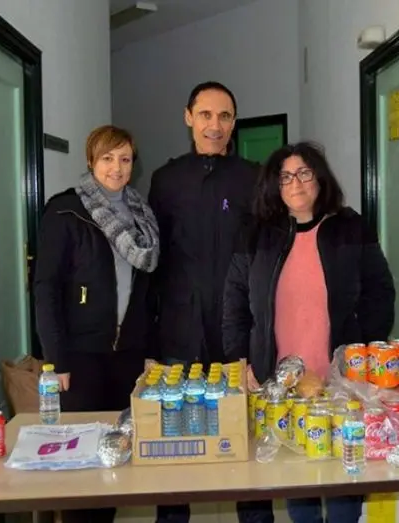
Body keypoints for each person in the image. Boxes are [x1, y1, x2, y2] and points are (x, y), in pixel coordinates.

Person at [222, 141, 395, 523]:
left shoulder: (350, 227)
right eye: (285, 177)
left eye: (303, 173)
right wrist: (241, 359)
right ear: (274, 185)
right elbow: (234, 302)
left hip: (340, 381)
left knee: (344, 478)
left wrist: (361, 353)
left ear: (319, 177)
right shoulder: (256, 233)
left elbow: (381, 293)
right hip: (281, 383)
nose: (295, 183)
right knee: (298, 479)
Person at [33, 125, 160, 523]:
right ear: (91, 161)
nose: (116, 168)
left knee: (115, 453)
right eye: (107, 158)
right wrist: (56, 360)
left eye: (125, 159)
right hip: (79, 357)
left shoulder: (143, 216)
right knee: (79, 463)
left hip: (127, 358)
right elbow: (45, 289)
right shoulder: (66, 211)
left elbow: (149, 292)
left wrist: (149, 350)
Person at [147, 81, 260, 523]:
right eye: (206, 115)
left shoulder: (252, 177)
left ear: (234, 123)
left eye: (225, 116)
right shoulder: (166, 179)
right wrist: (148, 342)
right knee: (174, 438)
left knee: (245, 432)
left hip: (237, 329)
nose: (215, 125)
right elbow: (151, 262)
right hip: (180, 328)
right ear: (188, 117)